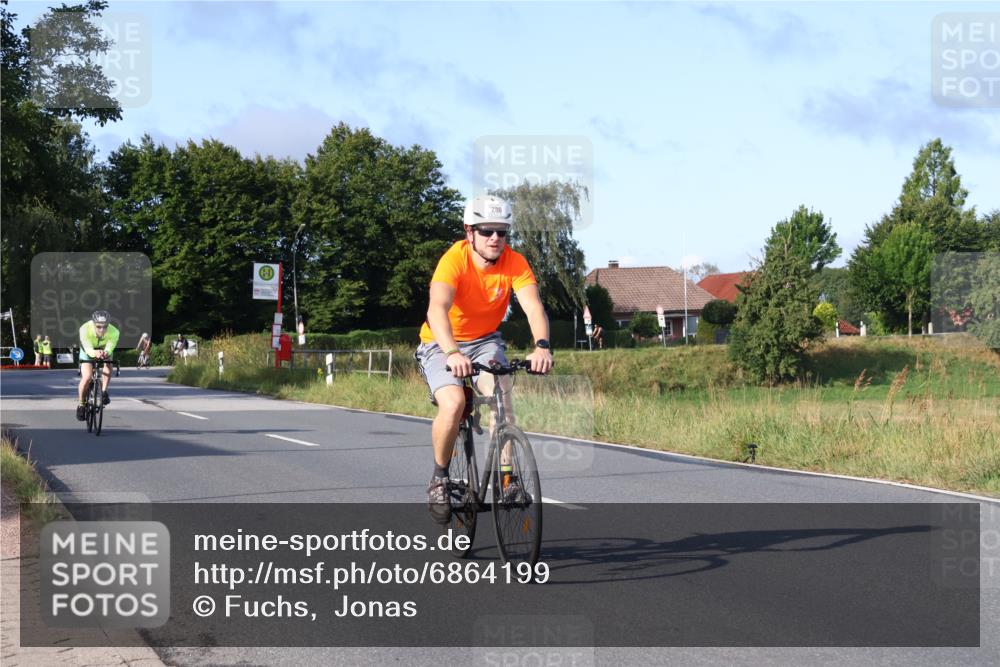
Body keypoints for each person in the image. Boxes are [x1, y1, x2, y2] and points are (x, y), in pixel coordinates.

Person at [415, 194, 553, 524]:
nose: (495, 239)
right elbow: (437, 310)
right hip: (440, 342)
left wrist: (542, 346)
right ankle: (440, 478)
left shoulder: (515, 262)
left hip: (485, 342)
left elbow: (533, 306)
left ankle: (509, 481)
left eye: (502, 232)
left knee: (501, 394)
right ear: (469, 232)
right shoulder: (454, 260)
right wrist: (452, 352)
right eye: (487, 231)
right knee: (452, 404)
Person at [76, 311, 120, 420]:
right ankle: (81, 404)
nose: (102, 329)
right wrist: (94, 353)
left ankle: (104, 391)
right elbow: (87, 347)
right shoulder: (84, 329)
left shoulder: (114, 331)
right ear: (93, 323)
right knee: (87, 377)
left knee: (109, 363)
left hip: (104, 348)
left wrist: (106, 353)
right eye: (99, 327)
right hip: (87, 350)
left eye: (105, 327)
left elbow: (110, 347)